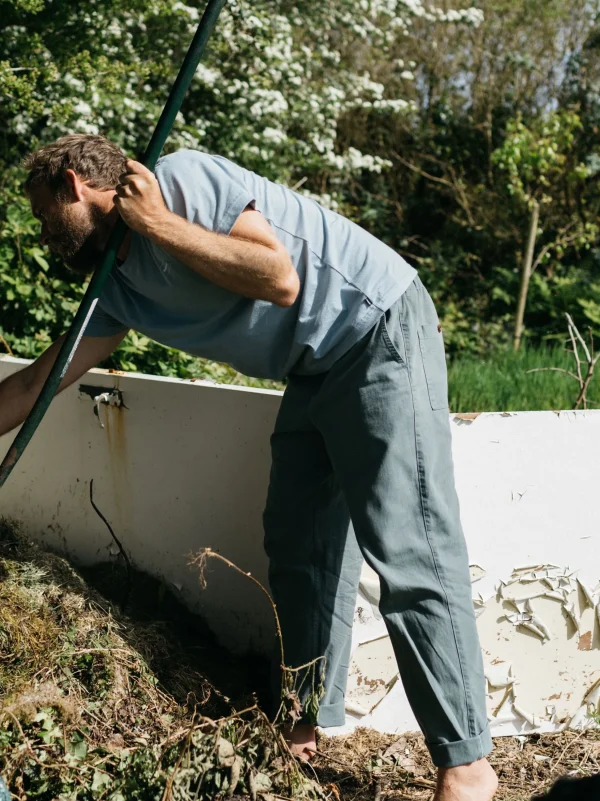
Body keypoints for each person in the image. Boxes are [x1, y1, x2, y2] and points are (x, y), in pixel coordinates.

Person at [0, 134, 498, 801]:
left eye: (43, 216)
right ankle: (304, 720)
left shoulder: (176, 182)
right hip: (313, 369)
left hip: (376, 329)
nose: (44, 235)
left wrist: (158, 224)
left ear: (73, 184)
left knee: (409, 550)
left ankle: (467, 764)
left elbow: (279, 277)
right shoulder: (115, 289)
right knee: (301, 552)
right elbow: (37, 382)